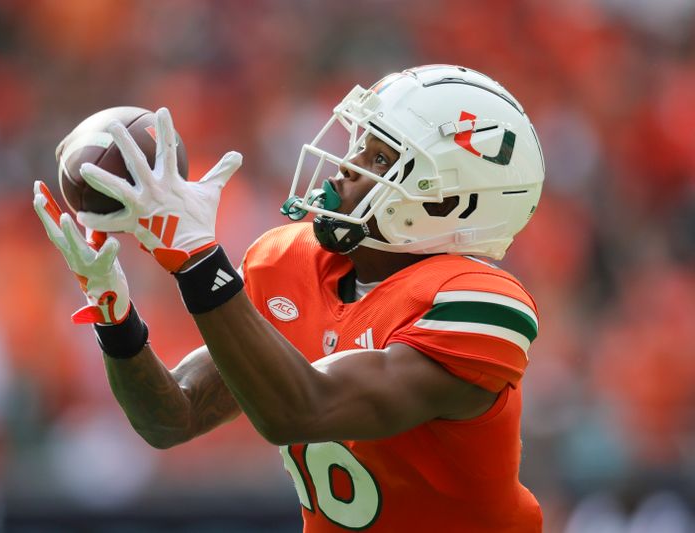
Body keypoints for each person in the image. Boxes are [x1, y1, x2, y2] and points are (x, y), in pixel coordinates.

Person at [33, 65, 545, 532]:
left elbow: (302, 409)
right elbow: (174, 418)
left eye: (382, 157)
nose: (347, 164)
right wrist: (113, 313)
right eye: (359, 144)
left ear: (446, 201)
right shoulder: (290, 260)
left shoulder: (479, 303)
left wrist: (196, 259)